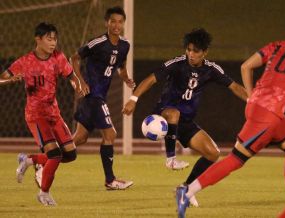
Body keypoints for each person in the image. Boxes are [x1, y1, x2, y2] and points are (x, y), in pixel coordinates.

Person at [122, 28, 247, 206]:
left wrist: (253, 101)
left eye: (196, 51)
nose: (191, 54)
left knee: (213, 153)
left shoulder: (211, 69)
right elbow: (150, 79)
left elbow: (235, 87)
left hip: (185, 122)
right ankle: (171, 159)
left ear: (205, 52)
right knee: (174, 113)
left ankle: (185, 188)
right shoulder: (177, 63)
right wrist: (133, 99)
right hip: (164, 113)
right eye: (188, 49)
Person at [176, 30, 285, 218]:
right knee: (235, 160)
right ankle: (187, 191)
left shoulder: (277, 45)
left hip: (262, 108)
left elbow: (246, 66)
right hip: (268, 115)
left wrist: (252, 97)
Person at [0, 22, 83, 206]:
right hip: (36, 115)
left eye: (55, 39)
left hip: (54, 114)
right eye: (49, 39)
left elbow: (71, 76)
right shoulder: (25, 61)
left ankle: (28, 160)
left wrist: (76, 84)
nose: (53, 43)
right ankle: (43, 193)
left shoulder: (58, 57)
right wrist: (10, 80)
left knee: (70, 155)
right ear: (38, 39)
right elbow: (2, 77)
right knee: (54, 154)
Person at [71, 6, 135, 190]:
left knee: (80, 138)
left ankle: (41, 161)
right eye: (113, 21)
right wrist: (80, 82)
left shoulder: (125, 45)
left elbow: (120, 67)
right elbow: (74, 58)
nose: (116, 25)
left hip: (98, 97)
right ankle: (110, 180)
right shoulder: (97, 43)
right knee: (111, 134)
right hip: (93, 96)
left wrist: (126, 79)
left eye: (120, 22)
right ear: (107, 22)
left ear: (123, 24)